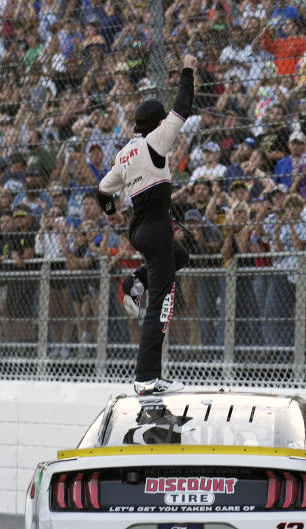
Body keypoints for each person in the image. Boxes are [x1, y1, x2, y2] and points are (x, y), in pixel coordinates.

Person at [97, 54, 197, 395]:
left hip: (141, 230)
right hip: (154, 229)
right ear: (156, 124)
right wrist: (188, 69)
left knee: (180, 257)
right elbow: (183, 105)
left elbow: (103, 190)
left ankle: (133, 282)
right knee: (161, 306)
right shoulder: (157, 140)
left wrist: (111, 210)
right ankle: (146, 379)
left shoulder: (125, 153)